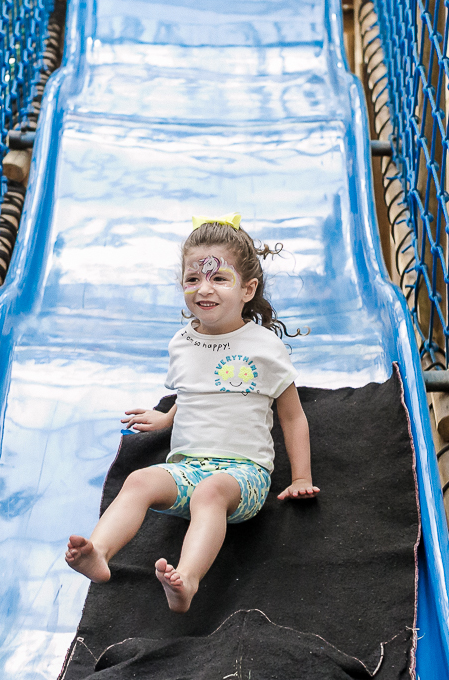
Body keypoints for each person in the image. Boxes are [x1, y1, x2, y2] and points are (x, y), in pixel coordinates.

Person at [65, 213, 320, 612]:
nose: (205, 289)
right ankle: (99, 551)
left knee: (210, 491)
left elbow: (292, 416)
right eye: (193, 279)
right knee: (139, 479)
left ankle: (187, 580)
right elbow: (197, 391)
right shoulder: (182, 343)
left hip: (242, 476)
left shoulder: (264, 346)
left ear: (247, 288)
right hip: (187, 467)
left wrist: (301, 475)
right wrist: (166, 419)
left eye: (219, 279)